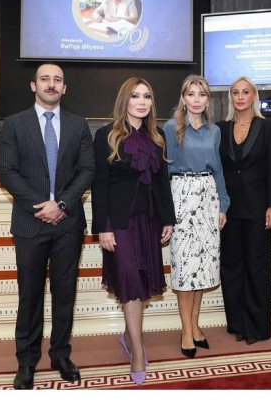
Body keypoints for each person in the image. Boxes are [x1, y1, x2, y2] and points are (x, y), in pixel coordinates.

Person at [0, 63, 95, 389]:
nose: (51, 84)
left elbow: (87, 170)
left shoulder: (79, 125)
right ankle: (26, 361)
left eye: (57, 80)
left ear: (64, 88)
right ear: (33, 85)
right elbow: (8, 172)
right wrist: (41, 206)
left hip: (68, 224)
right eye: (45, 79)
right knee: (30, 295)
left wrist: (61, 205)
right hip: (30, 222)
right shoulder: (14, 124)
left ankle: (60, 354)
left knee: (65, 293)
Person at [91, 77, 175, 385]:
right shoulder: (106, 135)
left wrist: (168, 219)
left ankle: (129, 335)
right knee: (129, 279)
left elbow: (162, 182)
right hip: (120, 223)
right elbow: (99, 184)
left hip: (149, 220)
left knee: (141, 281)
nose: (142, 102)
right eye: (136, 96)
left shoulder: (158, 136)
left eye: (147, 96)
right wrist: (103, 227)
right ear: (124, 100)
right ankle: (138, 350)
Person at [163, 75, 229, 358]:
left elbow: (219, 169)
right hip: (181, 196)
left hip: (208, 196)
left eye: (202, 94)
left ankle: (195, 325)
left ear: (208, 99)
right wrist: (167, 211)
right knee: (185, 267)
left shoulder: (215, 131)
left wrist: (223, 204)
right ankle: (186, 330)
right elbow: (163, 171)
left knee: (203, 267)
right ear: (183, 98)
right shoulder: (171, 128)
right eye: (191, 94)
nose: (196, 99)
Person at [217, 76, 271, 345]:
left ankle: (257, 326)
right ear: (230, 97)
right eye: (235, 92)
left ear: (254, 96)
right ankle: (237, 323)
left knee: (257, 267)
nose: (240, 97)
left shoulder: (268, 128)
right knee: (231, 267)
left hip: (258, 208)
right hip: (229, 209)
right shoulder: (220, 128)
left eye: (245, 92)